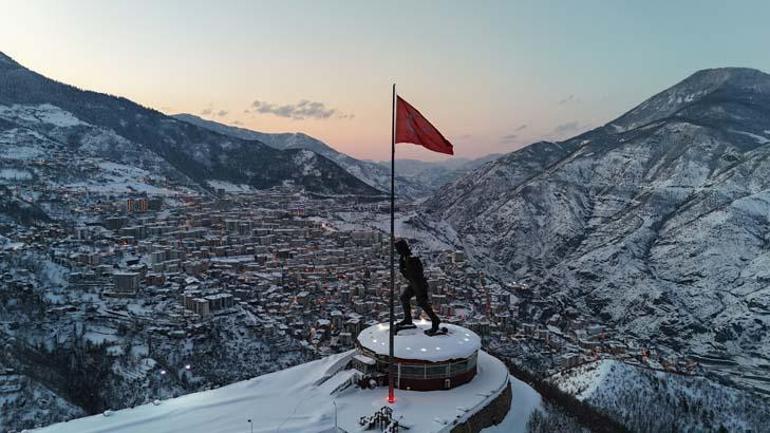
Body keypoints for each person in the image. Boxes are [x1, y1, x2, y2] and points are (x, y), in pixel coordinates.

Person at [394, 239, 441, 333]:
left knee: (422, 302)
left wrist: (404, 268)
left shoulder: (412, 258)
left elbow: (414, 273)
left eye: (398, 249)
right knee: (404, 297)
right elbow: (406, 273)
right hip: (414, 283)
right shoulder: (406, 258)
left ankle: (435, 320)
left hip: (419, 284)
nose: (397, 251)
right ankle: (408, 319)